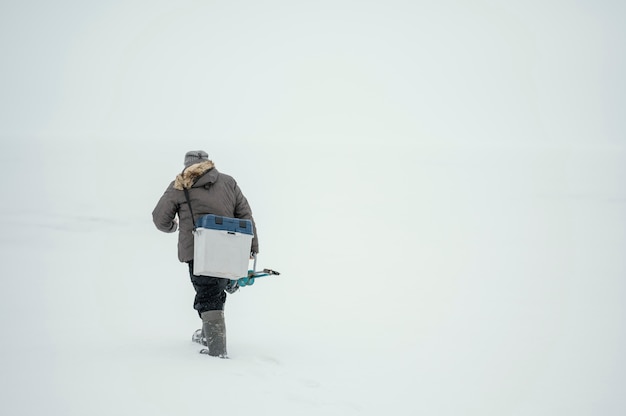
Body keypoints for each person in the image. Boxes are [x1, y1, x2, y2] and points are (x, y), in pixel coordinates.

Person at [152, 150, 259, 358]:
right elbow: (245, 215)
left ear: (186, 165)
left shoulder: (180, 185)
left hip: (198, 250)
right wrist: (252, 246)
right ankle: (207, 334)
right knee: (214, 291)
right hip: (230, 248)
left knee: (208, 294)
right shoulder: (228, 182)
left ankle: (217, 350)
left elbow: (159, 219)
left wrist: (172, 227)